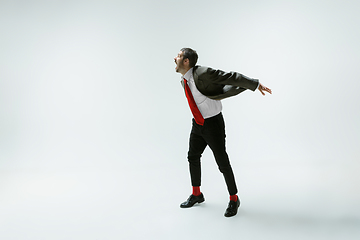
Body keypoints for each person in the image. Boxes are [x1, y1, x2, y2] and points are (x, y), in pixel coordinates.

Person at [174, 48, 272, 217]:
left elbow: (230, 77)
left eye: (178, 56)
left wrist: (254, 85)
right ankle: (197, 194)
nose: (174, 58)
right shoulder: (184, 81)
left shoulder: (202, 73)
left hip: (213, 124)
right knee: (192, 156)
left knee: (222, 162)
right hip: (198, 124)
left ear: (186, 61)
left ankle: (234, 199)